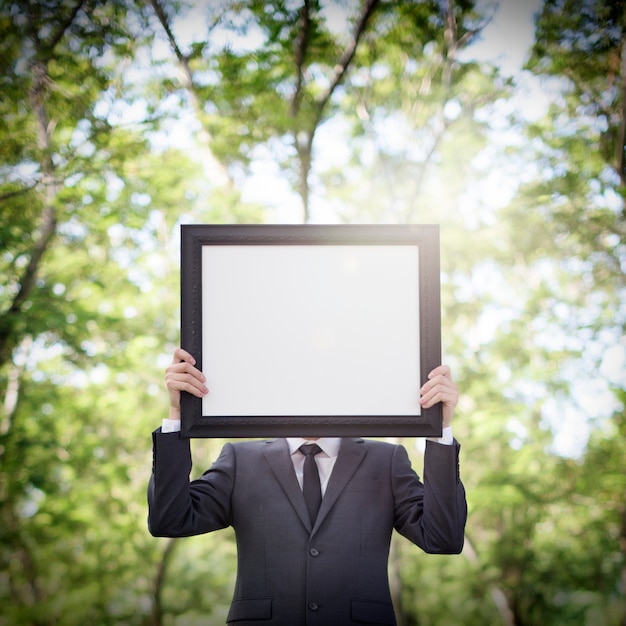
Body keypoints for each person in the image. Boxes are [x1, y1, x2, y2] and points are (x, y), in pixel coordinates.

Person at [148, 348, 467, 626]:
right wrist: (178, 414)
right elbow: (170, 519)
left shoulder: (386, 459)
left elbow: (442, 537)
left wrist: (439, 429)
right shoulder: (240, 459)